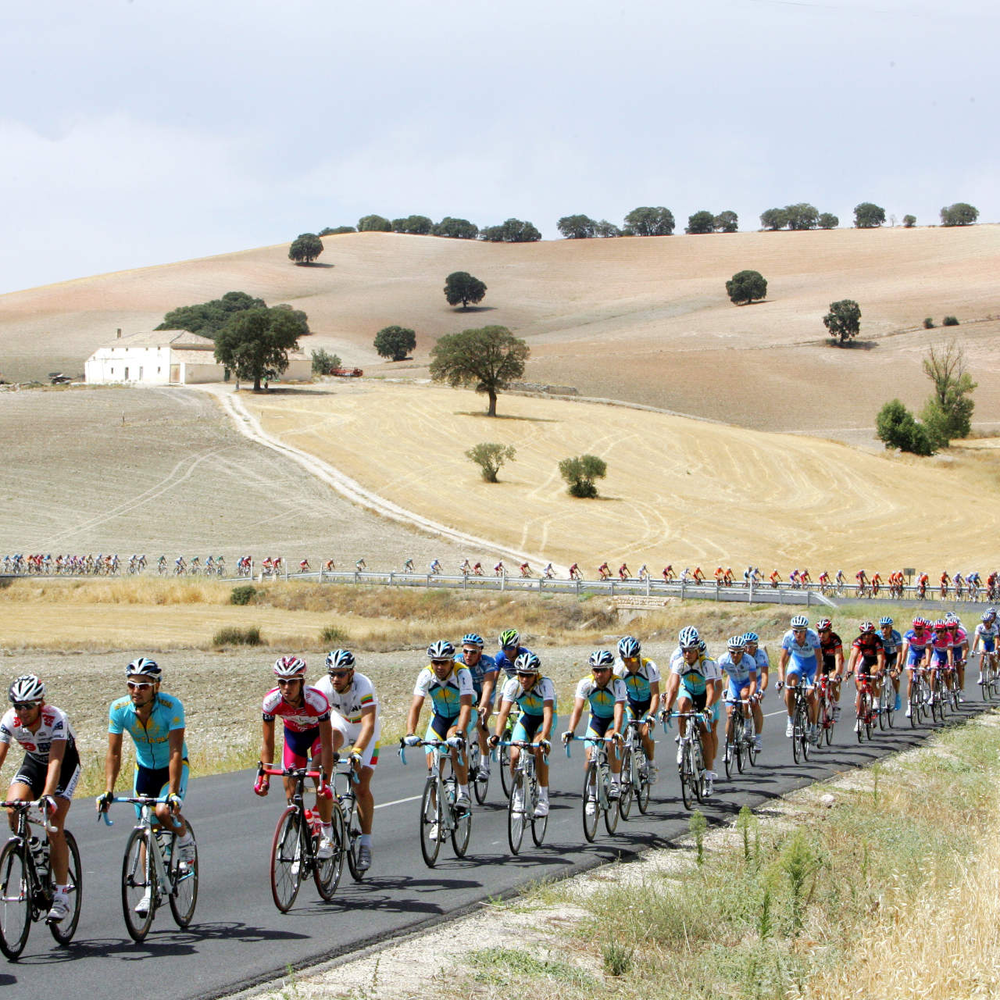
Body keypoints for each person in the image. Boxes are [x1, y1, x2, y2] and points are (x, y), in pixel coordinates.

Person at [99, 657, 196, 915]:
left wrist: (173, 793)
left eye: (143, 685)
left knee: (164, 812)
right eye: (132, 685)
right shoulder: (119, 709)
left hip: (172, 767)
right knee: (145, 825)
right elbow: (114, 753)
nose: (136, 690)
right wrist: (109, 789)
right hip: (144, 770)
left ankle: (185, 842)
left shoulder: (171, 706)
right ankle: (149, 891)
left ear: (156, 686)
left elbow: (176, 750)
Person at [0, 675, 79, 924]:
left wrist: (47, 795)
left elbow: (56, 760)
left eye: (28, 706)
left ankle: (61, 894)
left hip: (63, 766)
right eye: (17, 706)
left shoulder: (56, 718)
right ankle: (34, 847)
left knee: (53, 820)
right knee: (13, 809)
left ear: (40, 703)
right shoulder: (9, 719)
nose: (22, 712)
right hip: (33, 764)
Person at [254, 656, 336, 860]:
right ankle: (305, 830)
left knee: (317, 775)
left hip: (318, 736)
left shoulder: (316, 701)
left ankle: (327, 834)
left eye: (292, 681)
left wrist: (325, 778)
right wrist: (265, 778)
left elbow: (327, 744)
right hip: (294, 738)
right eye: (282, 681)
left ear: (302, 682)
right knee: (290, 791)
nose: (286, 686)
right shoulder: (271, 701)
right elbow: (268, 743)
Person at [314, 650, 379, 872]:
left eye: (340, 674)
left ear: (351, 673)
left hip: (364, 729)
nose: (335, 679)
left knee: (361, 786)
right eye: (332, 673)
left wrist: (358, 751)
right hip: (340, 723)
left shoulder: (364, 685)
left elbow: (369, 725)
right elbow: (316, 723)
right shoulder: (323, 686)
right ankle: (327, 819)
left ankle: (366, 843)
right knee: (325, 751)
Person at [404, 641, 473, 812]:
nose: (439, 666)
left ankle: (464, 792)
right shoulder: (426, 674)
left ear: (451, 661)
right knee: (433, 770)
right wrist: (410, 732)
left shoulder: (462, 673)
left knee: (452, 740)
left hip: (461, 716)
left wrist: (459, 732)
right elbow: (416, 706)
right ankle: (438, 818)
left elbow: (466, 706)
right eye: (435, 662)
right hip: (440, 717)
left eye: (443, 662)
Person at [491, 652, 556, 817]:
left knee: (538, 750)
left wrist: (544, 736)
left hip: (544, 719)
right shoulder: (513, 684)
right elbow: (504, 713)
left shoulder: (545, 684)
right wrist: (496, 735)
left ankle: (543, 798)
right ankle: (518, 796)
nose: (524, 679)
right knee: (514, 755)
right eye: (521, 674)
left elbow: (548, 713)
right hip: (526, 718)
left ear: (535, 674)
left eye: (528, 675)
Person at [660, 626, 722, 795]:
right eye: (684, 650)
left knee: (705, 731)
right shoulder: (679, 662)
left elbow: (711, 689)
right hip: (688, 691)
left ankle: (708, 775)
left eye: (691, 651)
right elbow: (673, 688)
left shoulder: (707, 663)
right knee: (683, 705)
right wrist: (666, 709)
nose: (687, 654)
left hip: (703, 695)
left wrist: (708, 708)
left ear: (697, 650)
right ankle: (682, 740)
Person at [562, 651, 626, 809]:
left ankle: (616, 782)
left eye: (603, 670)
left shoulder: (618, 684)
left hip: (614, 719)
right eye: (596, 670)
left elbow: (619, 708)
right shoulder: (586, 683)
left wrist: (617, 732)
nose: (599, 674)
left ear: (610, 670)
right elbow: (577, 709)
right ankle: (591, 795)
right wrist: (570, 730)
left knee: (611, 741)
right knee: (590, 758)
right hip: (596, 720)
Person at [454, 633, 498, 786]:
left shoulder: (487, 663)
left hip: (483, 695)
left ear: (480, 651)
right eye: (465, 651)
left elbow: (487, 686)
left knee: (481, 722)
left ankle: (485, 765)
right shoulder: (456, 661)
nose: (468, 655)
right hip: (466, 695)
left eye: (473, 652)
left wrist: (483, 706)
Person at [613, 636, 660, 780]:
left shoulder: (649, 667)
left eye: (632, 659)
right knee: (623, 730)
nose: (628, 663)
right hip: (631, 703)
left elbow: (656, 694)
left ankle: (651, 765)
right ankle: (626, 767)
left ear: (638, 657)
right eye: (625, 659)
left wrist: (651, 715)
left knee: (645, 732)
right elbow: (615, 694)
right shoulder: (618, 667)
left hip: (647, 704)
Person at [778, 614, 823, 743]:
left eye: (801, 631)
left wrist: (815, 681)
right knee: (789, 688)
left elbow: (820, 660)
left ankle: (813, 727)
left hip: (812, 664)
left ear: (806, 630)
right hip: (797, 662)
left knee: (810, 696)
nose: (798, 634)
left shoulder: (813, 636)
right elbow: (782, 662)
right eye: (795, 631)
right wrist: (781, 680)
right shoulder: (788, 637)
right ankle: (791, 720)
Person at [717, 635, 759, 758]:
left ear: (743, 651)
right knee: (730, 715)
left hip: (746, 684)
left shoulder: (749, 660)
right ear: (728, 651)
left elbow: (753, 681)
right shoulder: (723, 659)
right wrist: (723, 690)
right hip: (734, 685)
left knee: (745, 695)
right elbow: (718, 678)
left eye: (739, 652)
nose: (735, 655)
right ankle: (729, 748)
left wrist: (751, 696)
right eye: (732, 652)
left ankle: (746, 722)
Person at [846, 621, 886, 731]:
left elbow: (880, 657)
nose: (867, 636)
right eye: (864, 634)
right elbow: (853, 656)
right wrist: (849, 671)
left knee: (874, 673)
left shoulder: (877, 641)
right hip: (865, 660)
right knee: (860, 686)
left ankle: (876, 700)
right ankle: (859, 719)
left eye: (869, 634)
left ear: (873, 633)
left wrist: (880, 670)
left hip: (875, 661)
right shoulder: (858, 641)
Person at [901, 617, 933, 718]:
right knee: (910, 679)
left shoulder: (927, 635)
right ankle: (909, 706)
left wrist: (927, 663)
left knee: (923, 670)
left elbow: (928, 650)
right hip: (913, 653)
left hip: (923, 654)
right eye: (916, 628)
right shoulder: (908, 634)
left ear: (924, 628)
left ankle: (926, 688)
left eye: (920, 628)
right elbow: (905, 650)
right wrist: (901, 663)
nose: (918, 630)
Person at [816, 617, 845, 720]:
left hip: (834, 661)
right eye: (819, 632)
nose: (821, 635)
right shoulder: (816, 640)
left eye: (824, 632)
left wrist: (837, 674)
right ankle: (822, 702)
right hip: (824, 661)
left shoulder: (835, 639)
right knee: (820, 683)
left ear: (829, 631)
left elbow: (838, 657)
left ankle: (836, 706)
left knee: (833, 681)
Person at [877, 616, 904, 711]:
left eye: (886, 627)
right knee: (880, 675)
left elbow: (900, 652)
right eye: (882, 627)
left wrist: (897, 666)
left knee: (893, 675)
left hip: (894, 655)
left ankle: (897, 695)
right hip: (884, 655)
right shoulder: (877, 635)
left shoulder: (896, 635)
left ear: (890, 628)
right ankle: (878, 700)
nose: (884, 630)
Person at [973, 610, 999, 686]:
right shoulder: (979, 627)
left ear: (990, 622)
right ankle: (981, 677)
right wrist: (973, 650)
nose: (985, 624)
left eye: (987, 622)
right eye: (984, 622)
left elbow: (997, 639)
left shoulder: (994, 627)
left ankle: (994, 675)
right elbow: (976, 638)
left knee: (992, 657)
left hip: (991, 642)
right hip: (983, 642)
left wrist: (996, 650)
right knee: (982, 656)